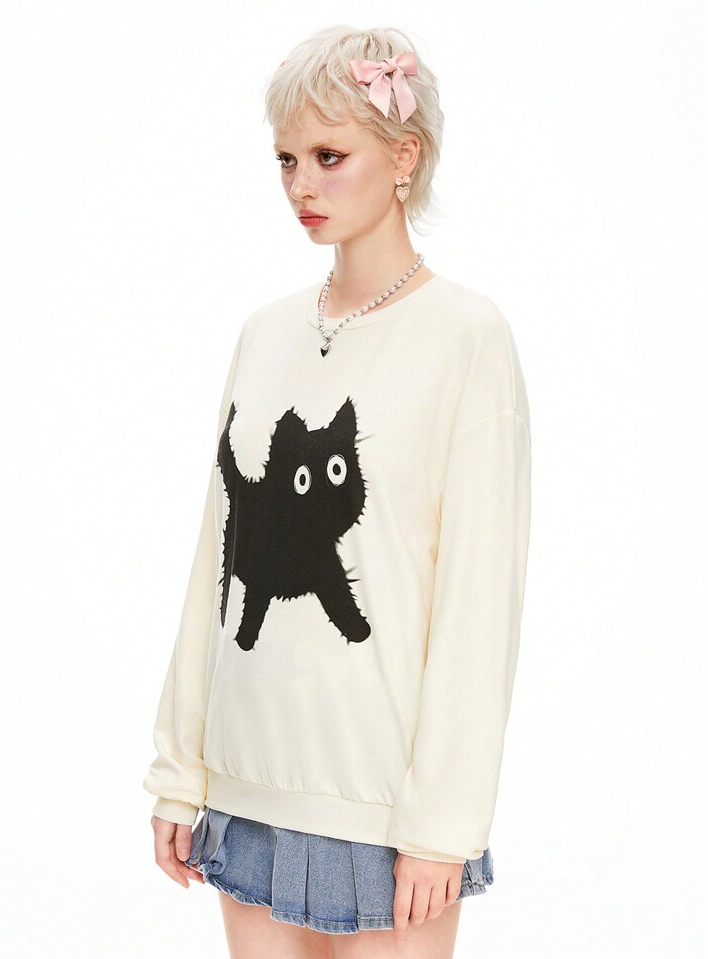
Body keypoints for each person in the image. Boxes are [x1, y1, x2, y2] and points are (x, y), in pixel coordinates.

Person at [142, 23, 532, 959]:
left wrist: (444, 822)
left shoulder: (466, 339)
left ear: (404, 157)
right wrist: (179, 770)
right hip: (245, 782)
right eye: (286, 159)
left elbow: (479, 599)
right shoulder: (264, 333)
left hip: (383, 803)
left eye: (328, 156)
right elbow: (219, 560)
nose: (300, 186)